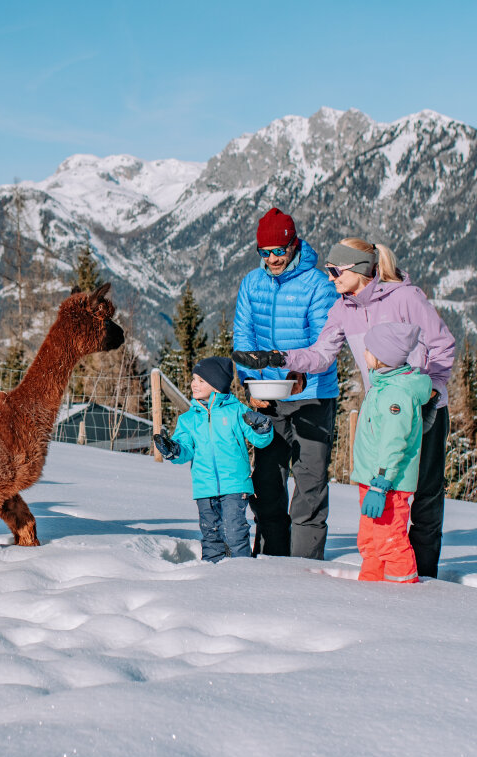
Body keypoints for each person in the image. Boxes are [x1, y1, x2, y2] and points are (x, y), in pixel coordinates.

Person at [232, 237, 456, 577]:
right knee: (384, 492)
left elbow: (442, 347)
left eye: (336, 271)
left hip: (424, 408)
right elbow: (322, 355)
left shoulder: (406, 298)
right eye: (329, 270)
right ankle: (386, 568)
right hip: (381, 410)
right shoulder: (342, 308)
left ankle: (424, 576)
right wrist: (281, 357)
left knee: (424, 495)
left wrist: (433, 396)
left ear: (362, 269)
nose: (331, 277)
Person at [232, 207, 339, 559]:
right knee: (267, 481)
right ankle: (270, 559)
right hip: (269, 397)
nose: (273, 259)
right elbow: (244, 337)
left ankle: (305, 567)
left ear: (293, 245)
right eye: (266, 252)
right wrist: (250, 386)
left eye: (279, 251)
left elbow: (324, 344)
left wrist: (299, 376)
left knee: (309, 484)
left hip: (312, 396)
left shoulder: (318, 286)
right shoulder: (252, 283)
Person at [153, 356, 275, 563]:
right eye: (194, 379)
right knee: (211, 535)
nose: (194, 384)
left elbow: (260, 441)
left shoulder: (237, 411)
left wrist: (262, 428)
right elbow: (185, 450)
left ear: (217, 385)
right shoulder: (188, 419)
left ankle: (243, 572)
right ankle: (212, 577)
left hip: (235, 485)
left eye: (201, 380)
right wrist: (172, 450)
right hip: (204, 487)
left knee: (234, 531)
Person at [350, 322, 433, 584]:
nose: (364, 354)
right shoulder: (384, 387)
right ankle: (372, 588)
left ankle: (401, 595)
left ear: (383, 357)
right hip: (373, 481)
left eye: (368, 350)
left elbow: (393, 442)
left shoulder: (395, 395)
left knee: (389, 541)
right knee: (370, 541)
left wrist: (381, 482)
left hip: (388, 484)